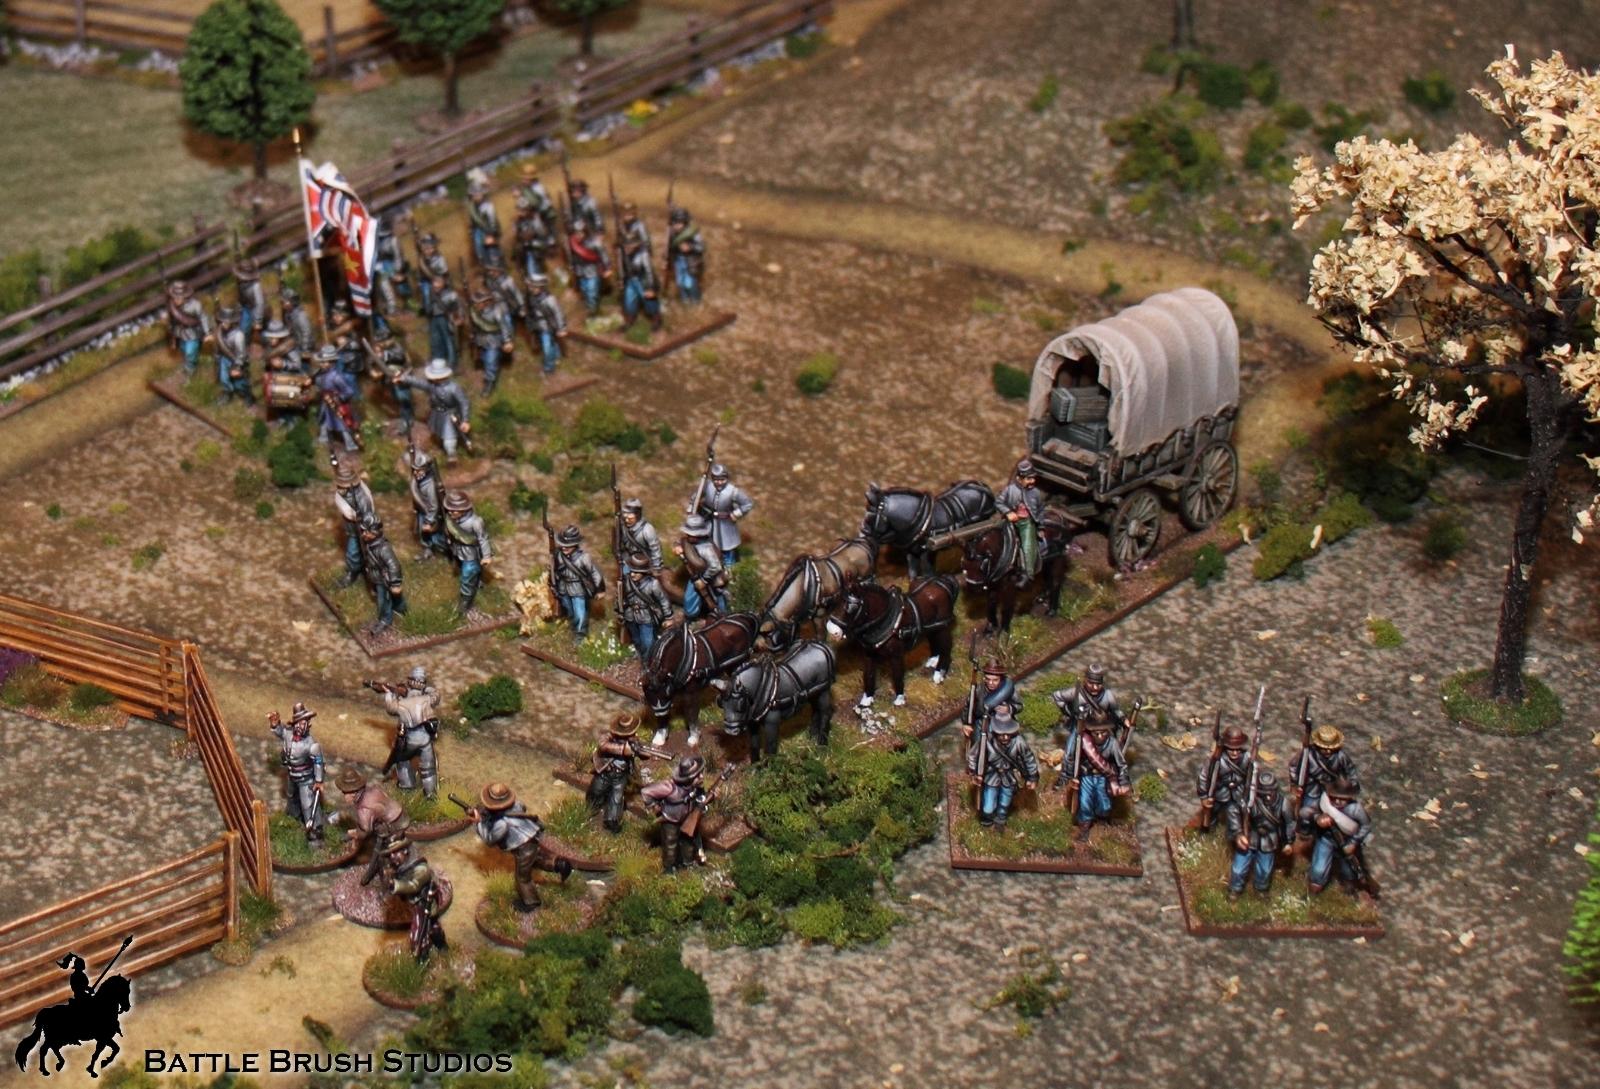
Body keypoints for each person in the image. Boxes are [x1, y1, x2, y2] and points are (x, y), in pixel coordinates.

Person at [468, 782, 572, 912]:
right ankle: (558, 864)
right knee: (535, 860)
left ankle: (531, 902)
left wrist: (479, 823)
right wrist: (483, 813)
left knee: (522, 877)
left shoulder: (501, 825)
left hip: (522, 848)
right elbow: (521, 807)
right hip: (532, 839)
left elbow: (489, 840)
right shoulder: (516, 805)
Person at [1054, 712, 1130, 839]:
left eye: (1103, 732)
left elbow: (1121, 764)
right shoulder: (1083, 741)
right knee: (1085, 802)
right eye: (1096, 733)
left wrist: (1123, 782)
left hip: (1103, 778)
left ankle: (1102, 819)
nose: (1100, 736)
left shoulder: (1112, 743)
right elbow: (1072, 759)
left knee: (1105, 804)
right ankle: (1084, 828)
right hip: (1086, 777)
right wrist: (1072, 776)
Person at [370, 665, 442, 797]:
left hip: (410, 739)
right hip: (426, 739)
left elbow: (390, 708)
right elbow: (436, 695)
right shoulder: (427, 699)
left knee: (401, 761)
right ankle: (431, 794)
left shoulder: (401, 703)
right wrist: (426, 688)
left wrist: (389, 694)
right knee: (428, 768)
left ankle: (407, 786)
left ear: (410, 682)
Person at [966, 706, 1038, 831]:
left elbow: (1028, 759)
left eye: (1007, 733)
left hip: (1009, 776)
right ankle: (987, 818)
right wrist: (974, 772)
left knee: (1005, 802)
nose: (1005, 737)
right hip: (991, 776)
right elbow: (973, 755)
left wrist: (1032, 777)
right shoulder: (986, 740)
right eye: (1001, 734)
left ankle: (1000, 819)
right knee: (988, 806)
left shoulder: (1019, 741)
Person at [586, 712, 660, 833]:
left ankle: (612, 821)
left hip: (620, 776)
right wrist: (623, 749)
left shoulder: (633, 741)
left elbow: (643, 754)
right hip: (605, 772)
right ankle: (591, 810)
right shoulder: (608, 737)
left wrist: (642, 751)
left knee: (616, 799)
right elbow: (603, 746)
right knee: (596, 791)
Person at [1226, 770, 1293, 899]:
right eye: (1263, 794)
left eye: (1270, 793)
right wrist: (1238, 833)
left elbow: (1290, 823)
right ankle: (1235, 888)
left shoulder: (1283, 803)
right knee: (1239, 868)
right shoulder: (1249, 800)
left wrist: (1288, 842)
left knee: (1265, 869)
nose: (1267, 797)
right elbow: (1233, 810)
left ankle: (1261, 888)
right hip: (1249, 837)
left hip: (1269, 840)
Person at [1289, 723, 1361, 844]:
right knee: (1307, 812)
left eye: (1330, 748)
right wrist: (1295, 784)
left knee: (1336, 814)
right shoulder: (1308, 754)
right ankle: (1305, 833)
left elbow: (1350, 770)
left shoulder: (1341, 756)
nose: (1327, 751)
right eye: (1324, 748)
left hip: (1333, 790)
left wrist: (1352, 784)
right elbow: (1293, 766)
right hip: (1313, 789)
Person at [267, 702, 325, 843]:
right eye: (298, 723)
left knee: (308, 804)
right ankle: (293, 818)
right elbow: (280, 731)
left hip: (306, 779)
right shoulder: (288, 733)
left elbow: (318, 762)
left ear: (308, 724)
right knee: (291, 797)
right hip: (292, 775)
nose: (300, 726)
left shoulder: (311, 744)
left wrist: (318, 781)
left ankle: (315, 830)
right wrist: (275, 724)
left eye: (303, 723)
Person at [385, 836, 449, 963]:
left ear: (405, 851)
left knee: (418, 936)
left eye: (395, 852)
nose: (392, 857)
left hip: (425, 903)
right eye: (390, 854)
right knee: (433, 927)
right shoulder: (401, 867)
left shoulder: (421, 869)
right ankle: (441, 947)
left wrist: (395, 885)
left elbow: (414, 886)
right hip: (416, 904)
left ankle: (423, 960)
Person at [1307, 777, 1373, 896]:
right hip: (1326, 839)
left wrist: (1353, 842)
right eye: (1334, 797)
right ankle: (1313, 891)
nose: (1337, 801)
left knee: (1349, 869)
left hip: (1347, 841)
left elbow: (1366, 826)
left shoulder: (1356, 809)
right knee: (1319, 868)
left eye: (1342, 798)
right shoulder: (1324, 802)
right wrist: (1317, 818)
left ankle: (1350, 888)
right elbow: (1307, 812)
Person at [642, 755, 707, 873]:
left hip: (687, 819)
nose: (701, 777)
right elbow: (646, 792)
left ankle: (688, 863)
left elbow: (701, 799)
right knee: (670, 844)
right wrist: (655, 807)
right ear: (688, 778)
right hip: (670, 821)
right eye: (697, 775)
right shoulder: (669, 787)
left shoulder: (696, 788)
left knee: (688, 841)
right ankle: (669, 868)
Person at [329, 766, 409, 861]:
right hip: (401, 813)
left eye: (344, 793)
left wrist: (354, 834)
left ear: (352, 794)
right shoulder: (372, 789)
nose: (343, 796)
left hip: (395, 824)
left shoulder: (363, 809)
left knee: (385, 849)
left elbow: (365, 831)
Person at [404, 359, 472, 462]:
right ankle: (443, 444)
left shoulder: (454, 388)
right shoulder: (432, 385)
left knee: (449, 437)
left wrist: (465, 420)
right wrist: (404, 378)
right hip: (437, 413)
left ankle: (451, 454)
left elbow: (464, 403)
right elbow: (418, 383)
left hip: (450, 415)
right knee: (438, 431)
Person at [1193, 723, 1254, 833]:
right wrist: (1203, 797)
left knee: (1241, 818)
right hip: (1219, 793)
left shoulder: (1247, 758)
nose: (1235, 752)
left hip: (1239, 794)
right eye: (1231, 749)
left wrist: (1249, 797)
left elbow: (1252, 778)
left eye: (1238, 749)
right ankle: (1207, 834)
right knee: (1212, 815)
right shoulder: (1216, 759)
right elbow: (1204, 777)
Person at [443, 489, 493, 615]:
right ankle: (477, 581)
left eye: (454, 510)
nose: (451, 512)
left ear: (463, 509)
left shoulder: (475, 522)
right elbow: (449, 529)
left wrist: (487, 556)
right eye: (449, 509)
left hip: (471, 553)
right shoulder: (450, 517)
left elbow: (483, 539)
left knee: (467, 575)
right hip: (457, 549)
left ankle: (466, 600)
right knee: (463, 569)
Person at [695, 463, 754, 567]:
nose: (719, 482)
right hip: (708, 521)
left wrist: (735, 514)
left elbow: (747, 503)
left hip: (725, 523)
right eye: (716, 480)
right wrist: (693, 506)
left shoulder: (732, 491)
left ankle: (729, 566)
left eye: (722, 479)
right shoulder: (708, 486)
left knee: (727, 546)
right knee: (706, 543)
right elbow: (696, 496)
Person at [551, 524, 605, 638]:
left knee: (580, 613)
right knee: (569, 611)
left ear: (575, 544)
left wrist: (600, 589)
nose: (564, 547)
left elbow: (595, 573)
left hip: (578, 589)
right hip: (563, 588)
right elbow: (554, 572)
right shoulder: (558, 555)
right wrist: (553, 585)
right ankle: (573, 626)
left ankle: (580, 635)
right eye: (562, 545)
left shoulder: (583, 558)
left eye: (567, 545)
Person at [357, 514, 407, 635]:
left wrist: (395, 583)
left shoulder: (383, 548)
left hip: (383, 579)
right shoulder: (369, 545)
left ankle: (385, 620)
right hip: (375, 577)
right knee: (392, 597)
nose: (364, 534)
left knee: (383, 601)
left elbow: (394, 565)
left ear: (374, 532)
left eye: (367, 531)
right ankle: (401, 608)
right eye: (363, 531)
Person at [620, 550, 675, 657]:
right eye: (631, 571)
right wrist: (619, 611)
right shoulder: (626, 581)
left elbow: (663, 600)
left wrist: (668, 617)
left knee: (648, 642)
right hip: (630, 615)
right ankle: (641, 654)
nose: (632, 574)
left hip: (646, 616)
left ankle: (649, 659)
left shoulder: (653, 584)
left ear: (643, 572)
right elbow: (620, 597)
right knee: (636, 639)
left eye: (636, 572)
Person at [998, 458, 1044, 585]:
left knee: (1028, 545)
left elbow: (1040, 510)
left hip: (1026, 523)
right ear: (1019, 479)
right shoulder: (1009, 490)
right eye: (1028, 479)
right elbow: (999, 502)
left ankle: (1028, 573)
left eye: (1033, 478)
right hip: (1010, 522)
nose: (1032, 481)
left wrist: (1041, 527)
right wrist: (1008, 512)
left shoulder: (1036, 493)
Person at [1050, 664, 1129, 738]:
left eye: (1098, 684)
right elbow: (1057, 696)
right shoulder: (1075, 693)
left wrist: (1124, 719)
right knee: (1073, 741)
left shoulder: (1107, 695)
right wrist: (1067, 711)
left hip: (1101, 728)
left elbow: (1116, 710)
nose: (1095, 687)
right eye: (1091, 683)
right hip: (1080, 727)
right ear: (1085, 680)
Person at [332, 461, 376, 588]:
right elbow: (347, 512)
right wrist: (355, 514)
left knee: (372, 553)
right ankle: (352, 572)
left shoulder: (363, 491)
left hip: (367, 527)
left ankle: (373, 576)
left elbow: (370, 506)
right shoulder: (340, 495)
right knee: (353, 552)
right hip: (353, 529)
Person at [673, 514, 726, 620]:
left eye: (691, 534)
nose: (688, 536)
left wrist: (704, 580)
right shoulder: (688, 541)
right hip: (695, 575)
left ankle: (722, 615)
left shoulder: (706, 548)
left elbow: (715, 567)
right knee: (690, 602)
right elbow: (681, 541)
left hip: (710, 576)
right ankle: (691, 616)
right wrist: (677, 547)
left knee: (717, 597)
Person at [467, 287, 515, 396]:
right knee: (484, 359)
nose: (476, 304)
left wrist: (507, 341)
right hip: (480, 339)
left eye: (478, 302)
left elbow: (504, 327)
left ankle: (489, 383)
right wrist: (473, 334)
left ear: (486, 302)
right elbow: (474, 324)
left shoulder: (497, 311)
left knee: (490, 362)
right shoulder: (474, 310)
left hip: (494, 339)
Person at [313, 345, 361, 451]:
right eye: (321, 362)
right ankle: (323, 437)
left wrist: (338, 398)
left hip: (337, 405)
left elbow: (349, 391)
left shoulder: (336, 377)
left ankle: (350, 444)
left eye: (324, 362)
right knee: (324, 421)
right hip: (326, 403)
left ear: (331, 363)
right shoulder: (321, 375)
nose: (321, 364)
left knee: (342, 425)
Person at [406, 445, 450, 559]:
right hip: (423, 511)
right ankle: (427, 550)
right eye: (415, 470)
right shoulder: (419, 481)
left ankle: (449, 550)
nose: (416, 473)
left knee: (436, 536)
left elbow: (434, 506)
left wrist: (429, 521)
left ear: (425, 470)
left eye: (419, 470)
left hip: (431, 515)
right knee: (423, 534)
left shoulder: (430, 485)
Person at [366, 330, 414, 433]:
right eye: (380, 342)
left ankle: (407, 420)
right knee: (396, 398)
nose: (381, 344)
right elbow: (372, 361)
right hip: (390, 379)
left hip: (402, 378)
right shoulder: (382, 350)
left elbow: (398, 356)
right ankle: (404, 417)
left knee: (403, 399)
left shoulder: (397, 349)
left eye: (383, 341)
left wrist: (382, 355)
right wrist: (373, 368)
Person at [962, 660, 1019, 741]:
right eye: (988, 679)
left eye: (995, 680)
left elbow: (1019, 705)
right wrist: (966, 723)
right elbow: (968, 706)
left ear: (1001, 679)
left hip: (1004, 725)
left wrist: (1009, 708)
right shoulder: (978, 690)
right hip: (983, 725)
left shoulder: (1008, 690)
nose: (991, 683)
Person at [164, 280, 211, 379]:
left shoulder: (195, 305)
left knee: (190, 352)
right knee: (184, 350)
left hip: (193, 332)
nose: (176, 300)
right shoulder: (172, 306)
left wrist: (207, 333)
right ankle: (187, 366)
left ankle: (190, 372)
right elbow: (172, 321)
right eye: (174, 297)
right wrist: (172, 334)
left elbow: (203, 318)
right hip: (180, 333)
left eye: (178, 297)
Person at [567, 214, 611, 316]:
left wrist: (607, 268)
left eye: (580, 233)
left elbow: (603, 255)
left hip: (593, 271)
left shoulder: (595, 243)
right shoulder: (573, 243)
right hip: (580, 271)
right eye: (576, 233)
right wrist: (573, 266)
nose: (578, 235)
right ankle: (590, 309)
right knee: (585, 290)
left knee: (592, 292)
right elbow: (573, 257)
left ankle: (593, 312)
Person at [619, 232, 663, 332]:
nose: (627, 247)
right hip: (630, 280)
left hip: (643, 280)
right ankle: (630, 319)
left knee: (649, 300)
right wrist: (622, 279)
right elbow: (623, 267)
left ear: (636, 244)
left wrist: (651, 287)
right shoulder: (623, 253)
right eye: (625, 244)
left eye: (630, 244)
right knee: (629, 299)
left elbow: (649, 271)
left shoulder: (643, 254)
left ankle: (656, 318)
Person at [525, 274, 568, 375]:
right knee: (549, 343)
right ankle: (556, 356)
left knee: (547, 347)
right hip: (537, 325)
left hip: (548, 326)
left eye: (534, 287)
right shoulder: (530, 297)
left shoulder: (550, 299)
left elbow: (558, 314)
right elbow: (530, 310)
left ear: (541, 287)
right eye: (531, 286)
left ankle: (549, 368)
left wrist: (561, 328)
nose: (531, 289)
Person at [214, 305, 255, 405]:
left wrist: (237, 366)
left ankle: (247, 396)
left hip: (237, 360)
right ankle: (227, 393)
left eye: (226, 322)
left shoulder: (238, 335)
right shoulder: (219, 332)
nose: (224, 324)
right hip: (224, 358)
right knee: (224, 378)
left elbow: (241, 354)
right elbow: (218, 346)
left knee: (239, 383)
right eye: (222, 321)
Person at [665, 204, 705, 304]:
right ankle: (685, 301)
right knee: (680, 283)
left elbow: (701, 247)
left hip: (690, 261)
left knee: (690, 284)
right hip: (678, 260)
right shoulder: (672, 233)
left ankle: (695, 302)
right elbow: (670, 247)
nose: (676, 226)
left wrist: (690, 247)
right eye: (674, 223)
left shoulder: (693, 233)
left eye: (679, 223)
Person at [513, 191, 556, 281]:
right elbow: (517, 235)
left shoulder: (535, 220)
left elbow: (542, 234)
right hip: (525, 247)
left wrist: (532, 236)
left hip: (536, 246)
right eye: (520, 210)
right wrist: (520, 235)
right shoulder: (518, 222)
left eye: (524, 210)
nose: (521, 212)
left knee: (535, 261)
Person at [619, 499, 663, 572]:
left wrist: (656, 567)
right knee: (625, 573)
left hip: (645, 562)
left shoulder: (647, 529)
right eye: (625, 518)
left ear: (638, 516)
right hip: (629, 560)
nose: (627, 520)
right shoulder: (623, 527)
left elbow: (655, 549)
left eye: (630, 519)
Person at [467, 181, 501, 265]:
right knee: (478, 242)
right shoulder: (472, 206)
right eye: (474, 195)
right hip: (478, 228)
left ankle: (496, 259)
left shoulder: (488, 205)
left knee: (491, 242)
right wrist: (471, 229)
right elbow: (473, 220)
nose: (477, 196)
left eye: (478, 194)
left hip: (489, 227)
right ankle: (482, 258)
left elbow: (492, 219)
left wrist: (492, 230)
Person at [518, 162, 556, 234]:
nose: (523, 180)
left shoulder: (537, 188)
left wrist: (527, 210)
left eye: (525, 179)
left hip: (546, 215)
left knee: (548, 234)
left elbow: (535, 203)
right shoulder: (528, 188)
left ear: (531, 179)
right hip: (540, 214)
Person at [234, 258, 266, 343]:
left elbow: (260, 303)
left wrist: (257, 320)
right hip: (244, 308)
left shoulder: (256, 286)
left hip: (253, 310)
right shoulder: (240, 284)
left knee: (247, 331)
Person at [416, 232, 450, 312]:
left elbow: (444, 273)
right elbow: (422, 272)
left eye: (430, 248)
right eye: (425, 248)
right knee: (426, 295)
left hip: (439, 280)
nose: (428, 250)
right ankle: (429, 311)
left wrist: (441, 281)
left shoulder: (439, 258)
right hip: (426, 281)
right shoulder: (422, 259)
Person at [280, 285, 316, 355]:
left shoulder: (300, 315)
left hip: (307, 346)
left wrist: (304, 348)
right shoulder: (287, 315)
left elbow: (306, 332)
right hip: (296, 345)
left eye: (285, 301)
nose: (283, 304)